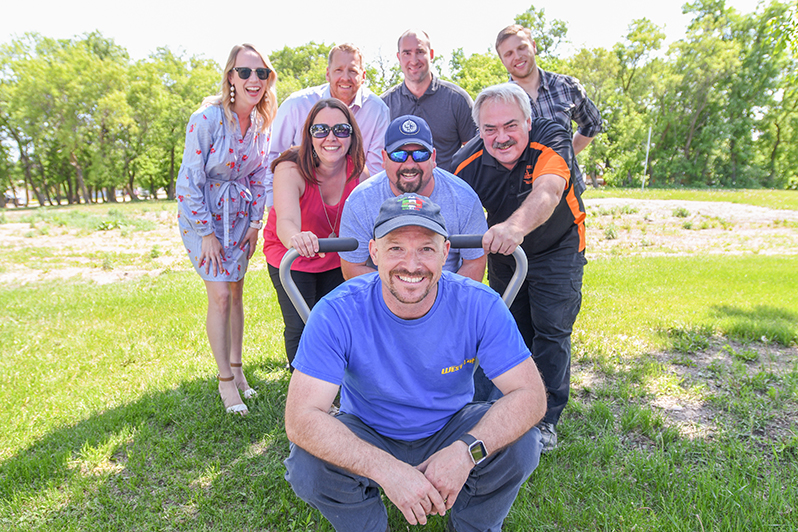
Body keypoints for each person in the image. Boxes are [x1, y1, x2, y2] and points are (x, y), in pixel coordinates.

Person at [284, 193, 546, 532]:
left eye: (426, 248)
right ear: (374, 252)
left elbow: (531, 395)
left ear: (445, 253)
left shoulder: (479, 304)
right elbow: (301, 418)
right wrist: (386, 470)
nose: (411, 264)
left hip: (450, 426)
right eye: (395, 248)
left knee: (522, 443)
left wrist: (466, 451)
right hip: (369, 429)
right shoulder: (337, 311)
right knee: (307, 463)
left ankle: (473, 526)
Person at [453, 83, 587, 452]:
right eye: (490, 129)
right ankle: (505, 402)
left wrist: (514, 227)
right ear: (479, 131)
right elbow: (443, 205)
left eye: (510, 125)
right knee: (508, 328)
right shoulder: (467, 162)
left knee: (551, 330)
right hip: (505, 252)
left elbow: (548, 191)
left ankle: (545, 419)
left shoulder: (550, 136)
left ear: (528, 121)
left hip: (559, 245)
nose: (501, 137)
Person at [176, 44, 277, 415]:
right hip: (202, 216)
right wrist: (206, 234)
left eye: (261, 73)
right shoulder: (206, 119)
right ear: (231, 76)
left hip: (238, 218)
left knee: (236, 293)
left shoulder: (262, 123)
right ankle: (224, 382)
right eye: (245, 72)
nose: (254, 80)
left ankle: (238, 370)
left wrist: (254, 224)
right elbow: (188, 182)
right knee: (219, 295)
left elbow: (259, 173)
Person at [262, 98, 365, 369]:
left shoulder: (358, 171)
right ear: (309, 135)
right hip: (292, 253)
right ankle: (304, 390)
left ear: (352, 136)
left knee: (336, 321)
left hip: (334, 254)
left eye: (341, 130)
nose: (331, 137)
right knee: (301, 324)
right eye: (321, 130)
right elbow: (285, 220)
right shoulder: (290, 168)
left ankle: (337, 379)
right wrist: (297, 238)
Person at [339, 115, 487, 282]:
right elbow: (352, 266)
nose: (409, 164)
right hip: (382, 297)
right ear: (384, 158)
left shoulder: (463, 198)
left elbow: (474, 262)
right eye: (398, 155)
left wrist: (439, 300)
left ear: (433, 157)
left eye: (420, 154)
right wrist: (399, 298)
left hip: (446, 296)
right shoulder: (361, 200)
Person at [265, 43, 389, 208]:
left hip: (352, 205)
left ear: (363, 76)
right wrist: (274, 202)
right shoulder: (296, 105)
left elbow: (376, 172)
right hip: (298, 203)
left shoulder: (377, 110)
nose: (345, 77)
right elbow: (270, 154)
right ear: (327, 74)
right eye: (338, 70)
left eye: (353, 71)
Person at [495, 24, 603, 195]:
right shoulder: (498, 101)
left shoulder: (566, 86)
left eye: (522, 47)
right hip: (522, 194)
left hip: (568, 190)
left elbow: (593, 124)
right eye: (508, 54)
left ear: (534, 46)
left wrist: (565, 152)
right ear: (502, 60)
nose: (517, 56)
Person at [381, 30, 477, 172]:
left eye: (420, 51)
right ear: (398, 57)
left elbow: (475, 153)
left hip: (447, 190)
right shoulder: (384, 105)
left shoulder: (457, 99)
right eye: (407, 53)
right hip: (399, 192)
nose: (413, 60)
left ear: (431, 55)